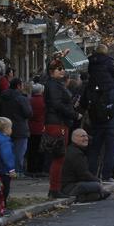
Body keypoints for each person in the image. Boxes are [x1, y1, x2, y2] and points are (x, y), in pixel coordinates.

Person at [84, 45, 114, 181]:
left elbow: (84, 102)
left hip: (96, 120)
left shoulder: (89, 85)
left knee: (94, 149)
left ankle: (91, 174)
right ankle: (107, 175)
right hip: (113, 119)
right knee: (110, 150)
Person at [44, 59, 77, 198]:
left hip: (60, 122)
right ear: (52, 72)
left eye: (62, 68)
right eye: (59, 69)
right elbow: (57, 104)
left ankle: (56, 187)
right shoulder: (53, 85)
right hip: (57, 123)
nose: (62, 71)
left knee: (59, 158)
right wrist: (73, 114)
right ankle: (55, 188)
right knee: (59, 157)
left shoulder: (56, 84)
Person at [61, 129, 110, 202]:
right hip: (70, 187)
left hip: (71, 185)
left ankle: (83, 197)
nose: (86, 138)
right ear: (74, 138)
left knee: (96, 193)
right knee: (97, 186)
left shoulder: (74, 150)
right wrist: (97, 181)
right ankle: (94, 194)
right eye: (82, 136)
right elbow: (83, 174)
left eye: (86, 136)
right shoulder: (76, 153)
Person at [0, 78, 32, 175]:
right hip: (20, 128)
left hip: (5, 127)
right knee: (19, 152)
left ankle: (9, 170)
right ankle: (18, 171)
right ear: (18, 86)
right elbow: (28, 113)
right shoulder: (22, 99)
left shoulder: (3, 97)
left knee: (7, 151)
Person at [27, 81, 46, 177]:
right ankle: (39, 168)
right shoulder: (44, 101)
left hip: (30, 127)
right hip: (41, 127)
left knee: (31, 149)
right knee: (40, 149)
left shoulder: (29, 100)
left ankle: (31, 168)